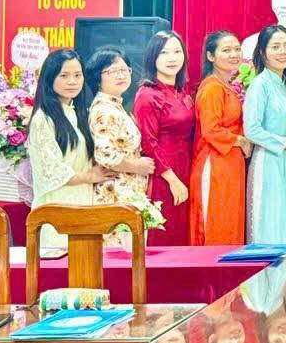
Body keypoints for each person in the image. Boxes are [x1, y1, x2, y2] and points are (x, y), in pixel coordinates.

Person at [27, 50, 109, 248]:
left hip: (84, 202)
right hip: (57, 209)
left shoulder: (79, 113)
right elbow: (51, 171)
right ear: (49, 78)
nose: (72, 81)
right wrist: (90, 176)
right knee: (61, 263)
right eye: (64, 75)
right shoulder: (42, 119)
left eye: (77, 75)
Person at [86, 48, 156, 245]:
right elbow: (105, 156)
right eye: (112, 71)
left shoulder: (116, 107)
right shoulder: (103, 110)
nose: (121, 75)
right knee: (118, 254)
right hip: (114, 194)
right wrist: (138, 166)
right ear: (97, 78)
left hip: (127, 191)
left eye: (124, 70)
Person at [133, 31, 196, 245]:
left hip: (186, 167)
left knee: (183, 233)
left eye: (177, 52)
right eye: (164, 52)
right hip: (164, 175)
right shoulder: (148, 95)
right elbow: (148, 143)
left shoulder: (182, 92)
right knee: (165, 234)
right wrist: (172, 179)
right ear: (153, 57)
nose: (172, 58)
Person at [245, 24, 286, 244]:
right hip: (269, 162)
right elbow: (252, 129)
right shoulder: (260, 85)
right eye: (276, 47)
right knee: (271, 226)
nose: (283, 52)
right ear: (263, 52)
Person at [189, 30, 249, 246]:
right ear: (210, 56)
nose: (234, 54)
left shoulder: (225, 85)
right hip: (215, 163)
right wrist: (241, 141)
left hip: (230, 163)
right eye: (226, 50)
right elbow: (211, 130)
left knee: (230, 224)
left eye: (237, 49)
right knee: (217, 224)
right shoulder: (212, 88)